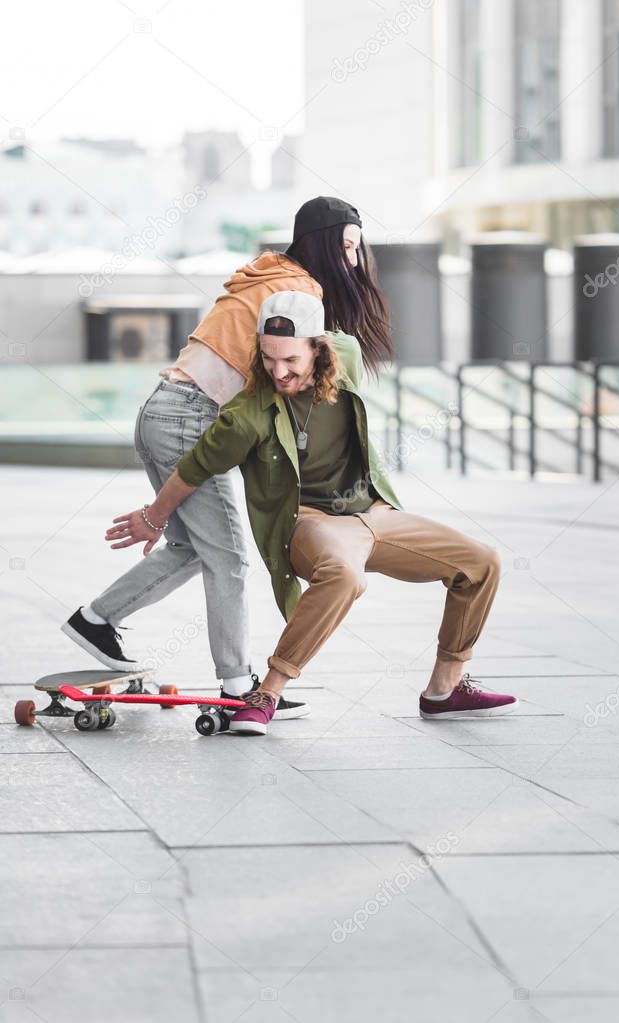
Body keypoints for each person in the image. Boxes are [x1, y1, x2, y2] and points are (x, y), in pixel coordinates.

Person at [106, 290, 519, 736]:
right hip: (310, 523)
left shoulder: (346, 358)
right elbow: (194, 468)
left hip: (374, 512)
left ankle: (444, 689)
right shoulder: (248, 414)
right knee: (344, 576)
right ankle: (268, 692)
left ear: (318, 349)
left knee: (481, 563)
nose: (277, 371)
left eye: (289, 360)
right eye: (267, 358)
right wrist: (154, 516)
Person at [61, 196, 392, 719]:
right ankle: (239, 686)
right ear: (324, 245)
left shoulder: (267, 277)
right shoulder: (298, 292)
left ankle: (96, 620)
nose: (354, 262)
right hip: (191, 418)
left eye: (358, 251)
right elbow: (293, 385)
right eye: (347, 249)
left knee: (194, 547)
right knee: (230, 557)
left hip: (163, 409)